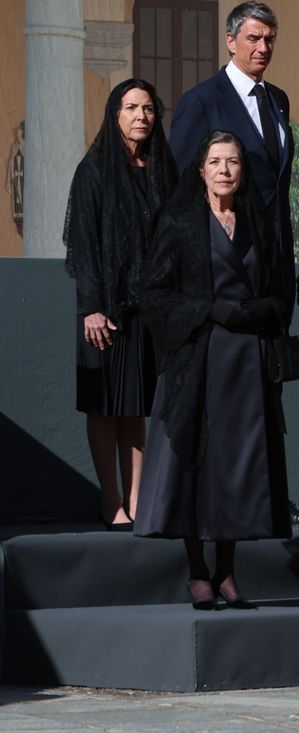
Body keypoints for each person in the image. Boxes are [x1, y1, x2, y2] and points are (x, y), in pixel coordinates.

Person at [168, 0, 299, 528]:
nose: (263, 48)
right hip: (219, 265)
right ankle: (220, 502)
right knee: (224, 391)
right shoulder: (202, 101)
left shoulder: (276, 99)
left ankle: (270, 496)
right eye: (253, 38)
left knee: (267, 383)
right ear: (230, 41)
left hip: (270, 264)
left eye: (270, 39)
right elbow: (182, 186)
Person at [136, 131, 292, 610]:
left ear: (242, 171)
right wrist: (210, 310)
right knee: (195, 465)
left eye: (233, 162)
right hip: (196, 358)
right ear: (200, 169)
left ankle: (227, 572)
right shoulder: (180, 220)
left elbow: (280, 284)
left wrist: (261, 309)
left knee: (238, 467)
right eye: (215, 162)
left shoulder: (258, 220)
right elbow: (154, 293)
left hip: (248, 361)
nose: (225, 170)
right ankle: (198, 572)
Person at [63, 79, 177, 527]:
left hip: (149, 310)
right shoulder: (92, 170)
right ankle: (110, 501)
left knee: (135, 407)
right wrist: (91, 306)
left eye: (148, 109)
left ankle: (137, 501)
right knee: (104, 405)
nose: (141, 117)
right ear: (115, 115)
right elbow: (82, 243)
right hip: (104, 309)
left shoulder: (162, 169)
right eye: (131, 108)